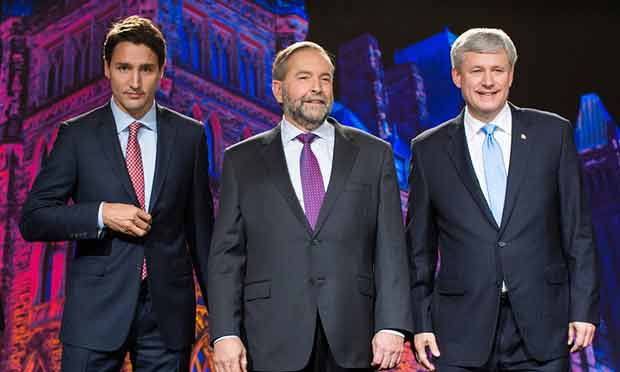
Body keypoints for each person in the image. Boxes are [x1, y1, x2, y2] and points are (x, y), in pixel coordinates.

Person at [19, 15, 213, 371]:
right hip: (94, 314)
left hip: (167, 318)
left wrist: (226, 326)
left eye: (146, 69)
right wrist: (100, 214)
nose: (135, 82)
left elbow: (203, 238)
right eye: (124, 68)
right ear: (107, 68)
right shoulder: (77, 135)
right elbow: (33, 218)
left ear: (162, 71)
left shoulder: (191, 136)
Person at [207, 41, 412, 372]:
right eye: (304, 78)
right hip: (270, 337)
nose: (317, 88)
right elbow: (226, 256)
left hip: (354, 336)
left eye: (326, 79)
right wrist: (225, 334)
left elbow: (390, 247)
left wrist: (391, 325)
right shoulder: (241, 160)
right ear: (278, 89)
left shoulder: (374, 154)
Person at [406, 27, 599, 372]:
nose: (488, 81)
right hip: (458, 332)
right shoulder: (428, 149)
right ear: (456, 76)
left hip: (544, 325)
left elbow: (577, 231)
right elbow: (418, 247)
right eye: (476, 70)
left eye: (497, 70)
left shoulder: (553, 134)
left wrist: (583, 310)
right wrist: (420, 321)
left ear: (511, 74)